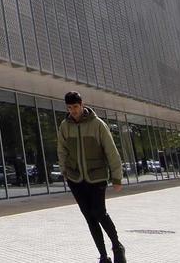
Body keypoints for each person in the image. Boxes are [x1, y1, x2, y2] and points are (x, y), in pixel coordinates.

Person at [57, 92, 126, 263]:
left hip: (96, 177)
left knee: (99, 212)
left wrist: (117, 177)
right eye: (69, 108)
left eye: (75, 107)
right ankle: (103, 256)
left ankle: (117, 246)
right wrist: (64, 171)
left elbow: (111, 151)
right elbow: (62, 150)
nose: (73, 110)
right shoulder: (65, 126)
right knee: (89, 217)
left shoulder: (97, 124)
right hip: (76, 178)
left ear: (82, 105)